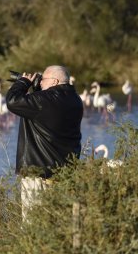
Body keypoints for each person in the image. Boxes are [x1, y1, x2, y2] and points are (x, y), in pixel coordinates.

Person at [6, 65, 83, 219]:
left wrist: (22, 82)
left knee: (33, 223)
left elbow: (13, 101)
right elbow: (44, 114)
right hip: (63, 172)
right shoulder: (75, 100)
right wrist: (37, 90)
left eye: (43, 80)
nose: (40, 83)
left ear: (54, 81)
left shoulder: (44, 101)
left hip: (38, 172)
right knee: (56, 220)